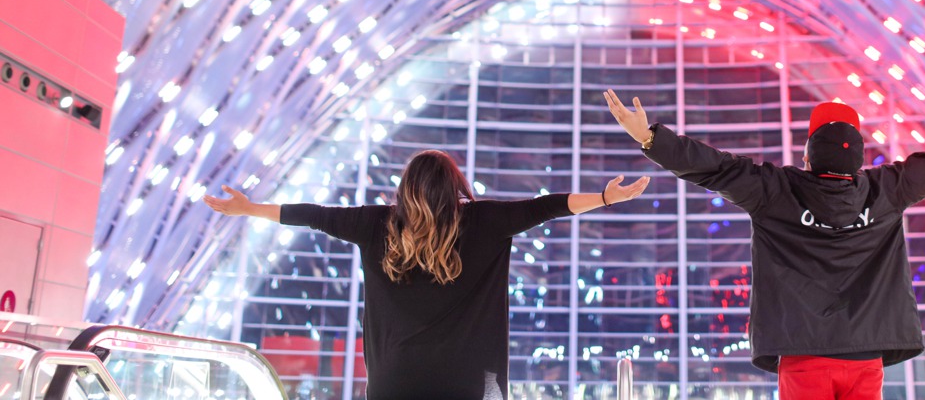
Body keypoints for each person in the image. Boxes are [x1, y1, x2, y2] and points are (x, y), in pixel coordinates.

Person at [604, 84, 925, 400]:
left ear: (806, 158)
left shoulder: (774, 190)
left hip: (802, 354)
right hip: (865, 354)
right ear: (861, 160)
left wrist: (650, 138)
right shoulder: (888, 189)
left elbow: (712, 168)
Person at [204, 150, 649, 400]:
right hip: (474, 388)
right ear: (454, 185)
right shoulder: (485, 221)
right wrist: (605, 198)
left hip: (394, 385)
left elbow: (313, 216)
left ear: (407, 188)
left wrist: (249, 208)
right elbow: (548, 205)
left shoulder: (376, 224)